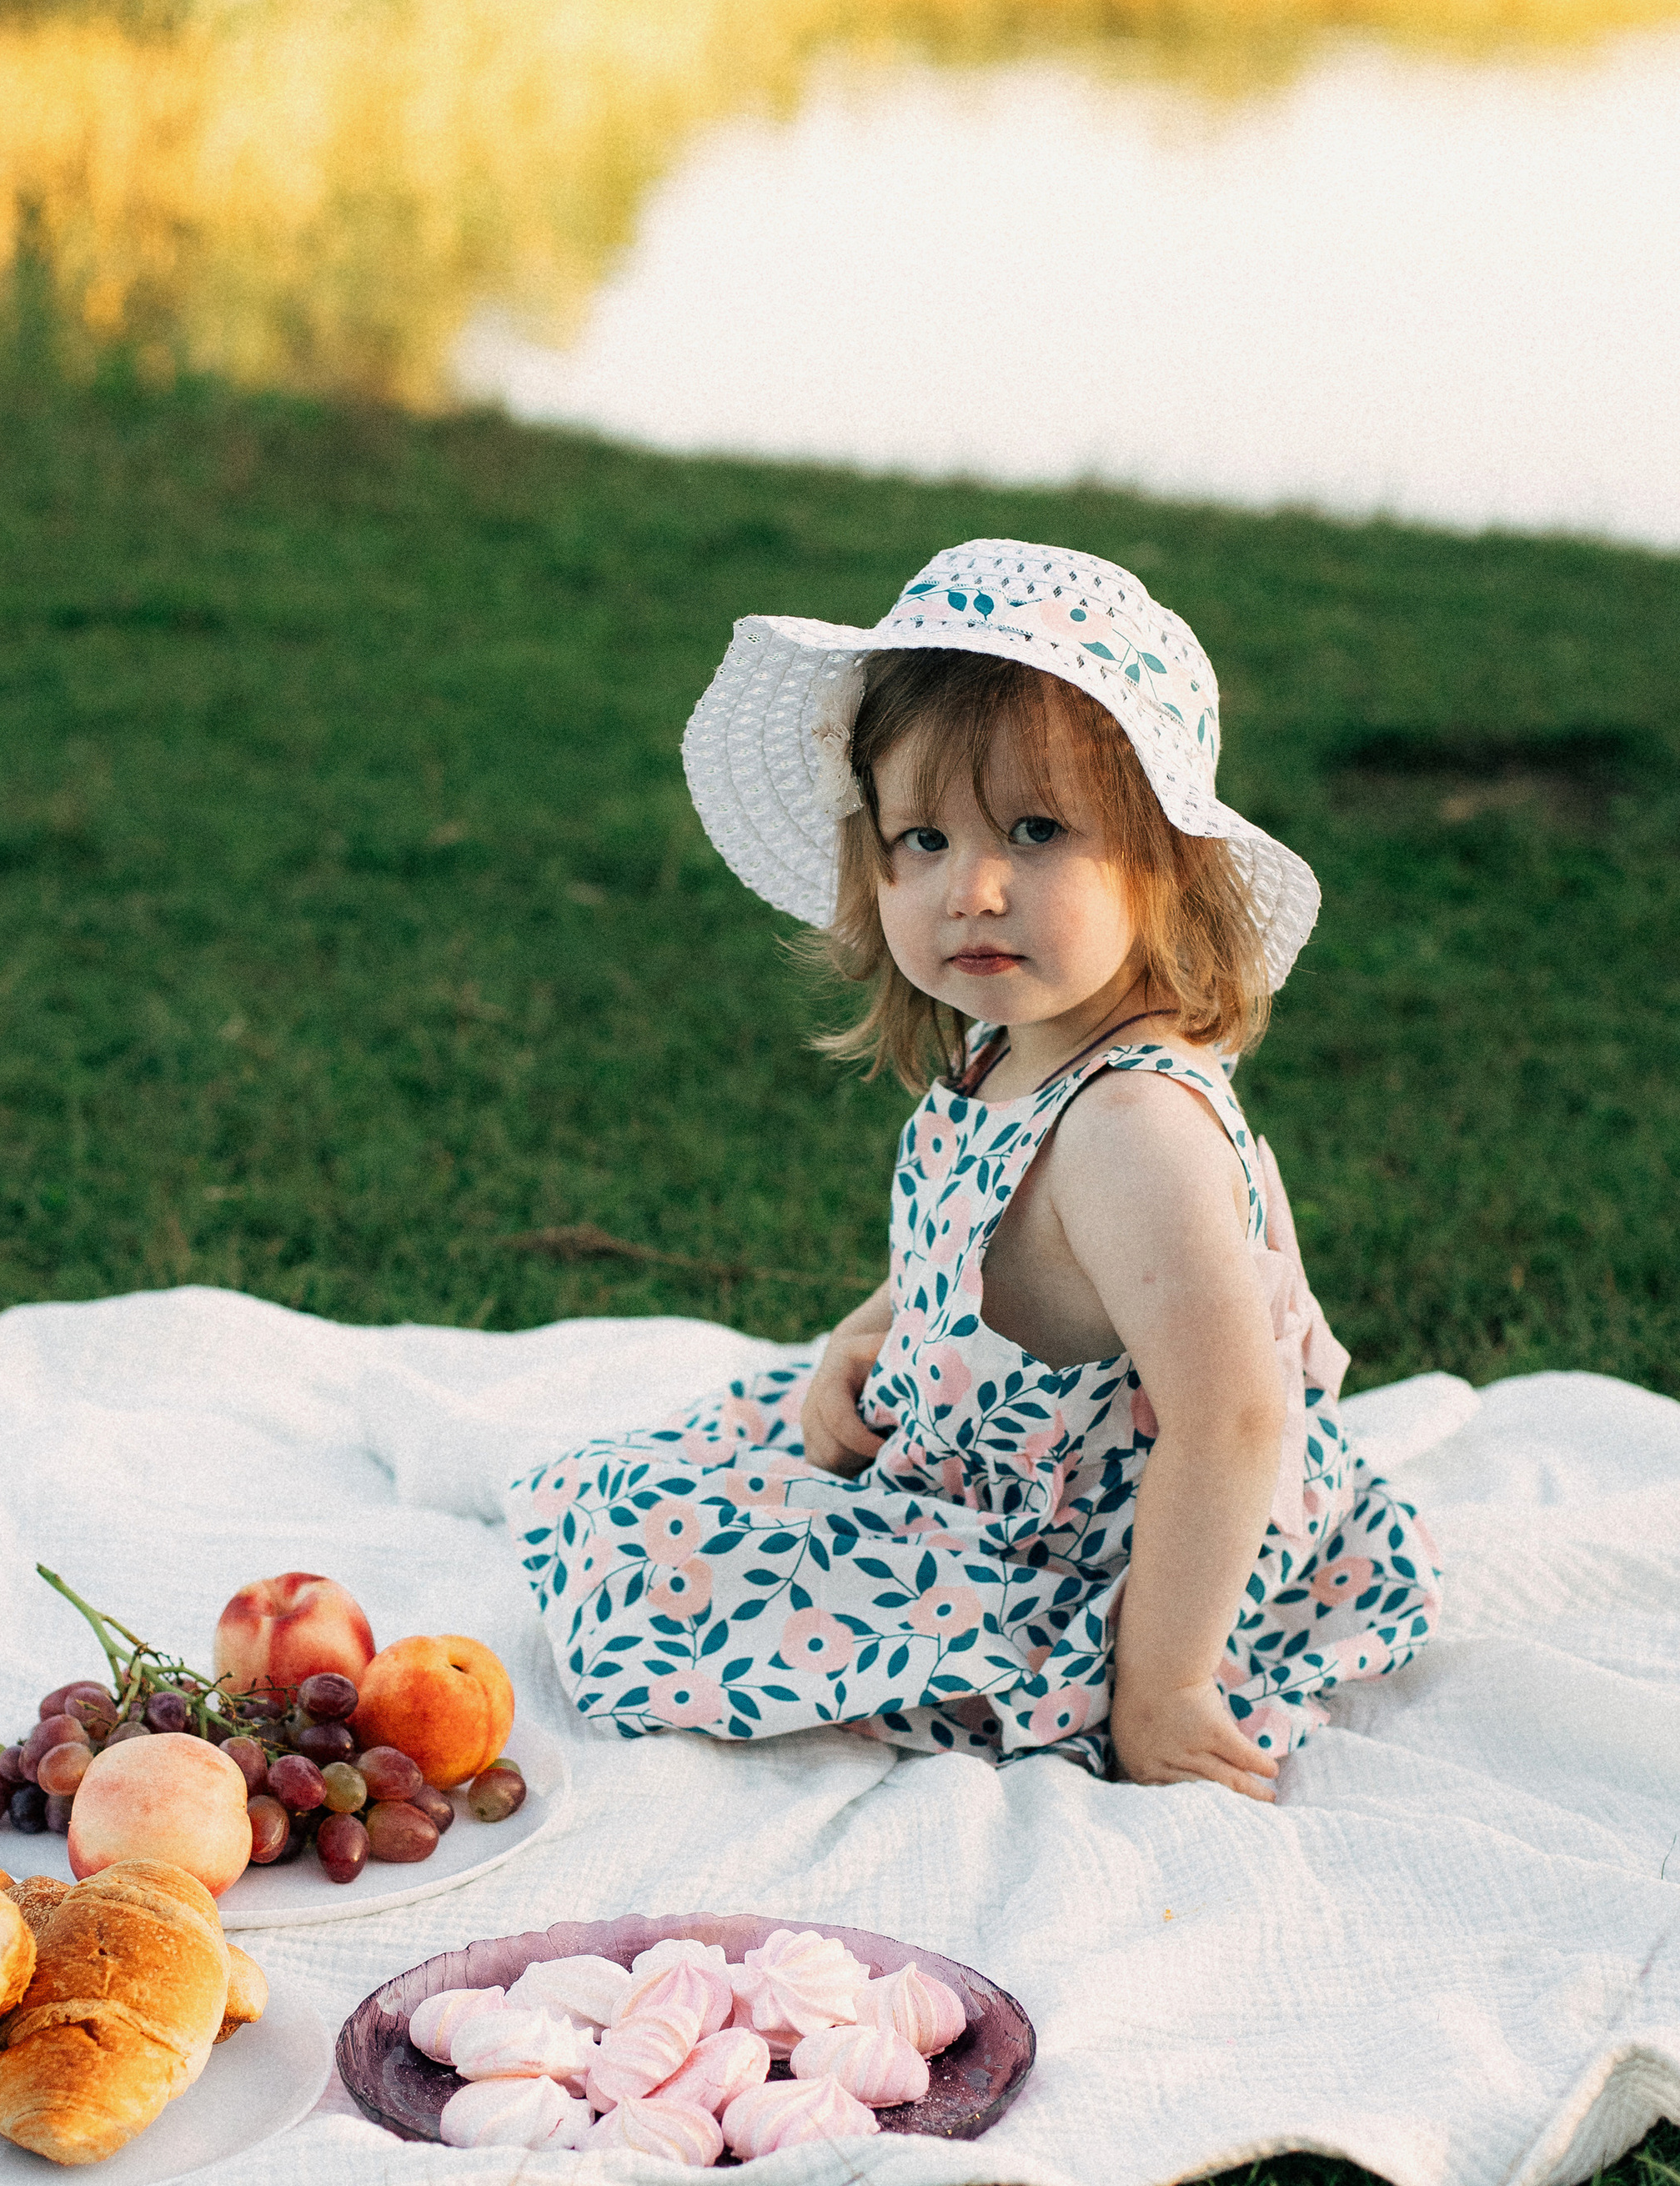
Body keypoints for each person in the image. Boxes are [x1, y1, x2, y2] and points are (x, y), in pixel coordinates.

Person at [505, 540, 1438, 1799]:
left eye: (1038, 831)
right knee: (670, 1480)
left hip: (1091, 1563)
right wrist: (866, 1331)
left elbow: (1228, 1418)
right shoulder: (1012, 1048)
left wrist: (1161, 1688)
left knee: (664, 1577)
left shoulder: (1131, 1132)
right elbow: (966, 1254)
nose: (973, 888)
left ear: (1162, 859)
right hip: (989, 1460)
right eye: (925, 837)